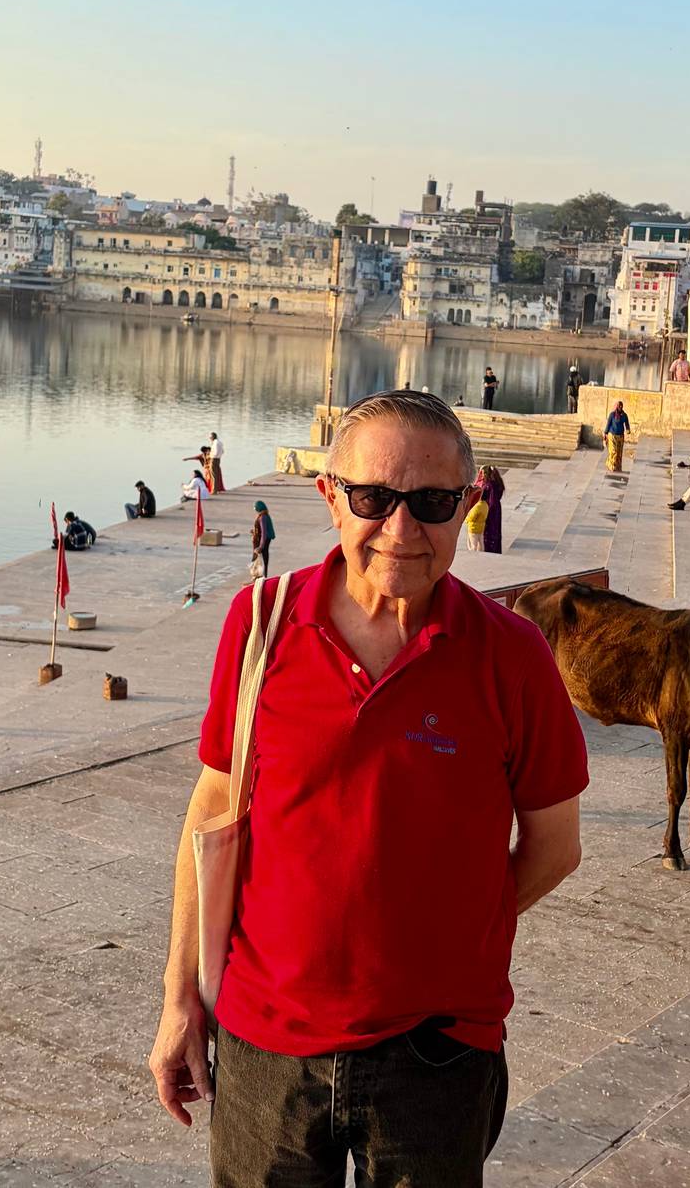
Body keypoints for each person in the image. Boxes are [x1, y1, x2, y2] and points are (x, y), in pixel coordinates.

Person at [147, 390, 586, 1184]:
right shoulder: (261, 622)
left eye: (432, 503)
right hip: (265, 1043)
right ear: (330, 497)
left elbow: (554, 848)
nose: (401, 530)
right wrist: (181, 999)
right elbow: (212, 810)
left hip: (437, 1051)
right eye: (373, 499)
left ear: (468, 503)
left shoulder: (513, 656)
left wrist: (445, 932)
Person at [478, 464, 505, 552]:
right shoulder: (497, 483)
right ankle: (495, 548)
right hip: (497, 508)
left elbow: (491, 500)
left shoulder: (489, 485)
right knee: (496, 530)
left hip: (490, 509)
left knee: (490, 530)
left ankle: (490, 548)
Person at [604, 401, 631, 473]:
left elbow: (627, 423)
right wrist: (605, 433)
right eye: (619, 406)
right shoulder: (612, 415)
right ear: (616, 407)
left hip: (620, 436)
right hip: (612, 435)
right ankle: (611, 466)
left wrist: (628, 429)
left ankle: (618, 466)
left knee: (619, 452)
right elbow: (608, 424)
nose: (620, 407)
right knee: (613, 451)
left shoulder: (624, 415)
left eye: (621, 406)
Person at [251, 499, 276, 573]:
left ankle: (261, 573)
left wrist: (261, 546)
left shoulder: (263, 517)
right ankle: (262, 572)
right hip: (264, 538)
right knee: (264, 556)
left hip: (264, 539)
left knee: (262, 555)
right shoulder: (264, 515)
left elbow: (264, 532)